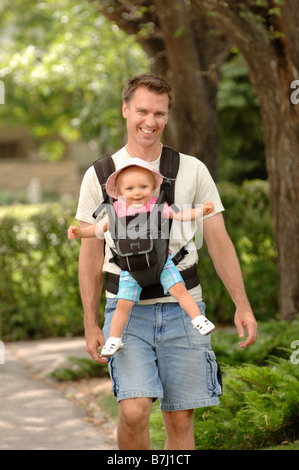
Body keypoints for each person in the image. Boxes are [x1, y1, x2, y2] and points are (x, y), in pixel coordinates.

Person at [75, 73, 257, 450]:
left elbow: (219, 241)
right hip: (127, 310)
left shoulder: (192, 170)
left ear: (167, 116)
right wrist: (90, 322)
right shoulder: (100, 174)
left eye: (159, 113)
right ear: (125, 110)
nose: (150, 121)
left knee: (180, 416)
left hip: (183, 307)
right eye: (141, 110)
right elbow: (90, 252)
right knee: (134, 409)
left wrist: (242, 304)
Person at [68, 158, 215, 357]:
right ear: (119, 192)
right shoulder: (115, 212)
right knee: (123, 303)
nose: (137, 192)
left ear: (153, 187)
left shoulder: (159, 207)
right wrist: (79, 233)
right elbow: (97, 229)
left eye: (143, 186)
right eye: (129, 189)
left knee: (179, 289)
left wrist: (201, 211)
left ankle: (198, 319)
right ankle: (114, 339)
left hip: (161, 263)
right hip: (131, 268)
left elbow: (181, 215)